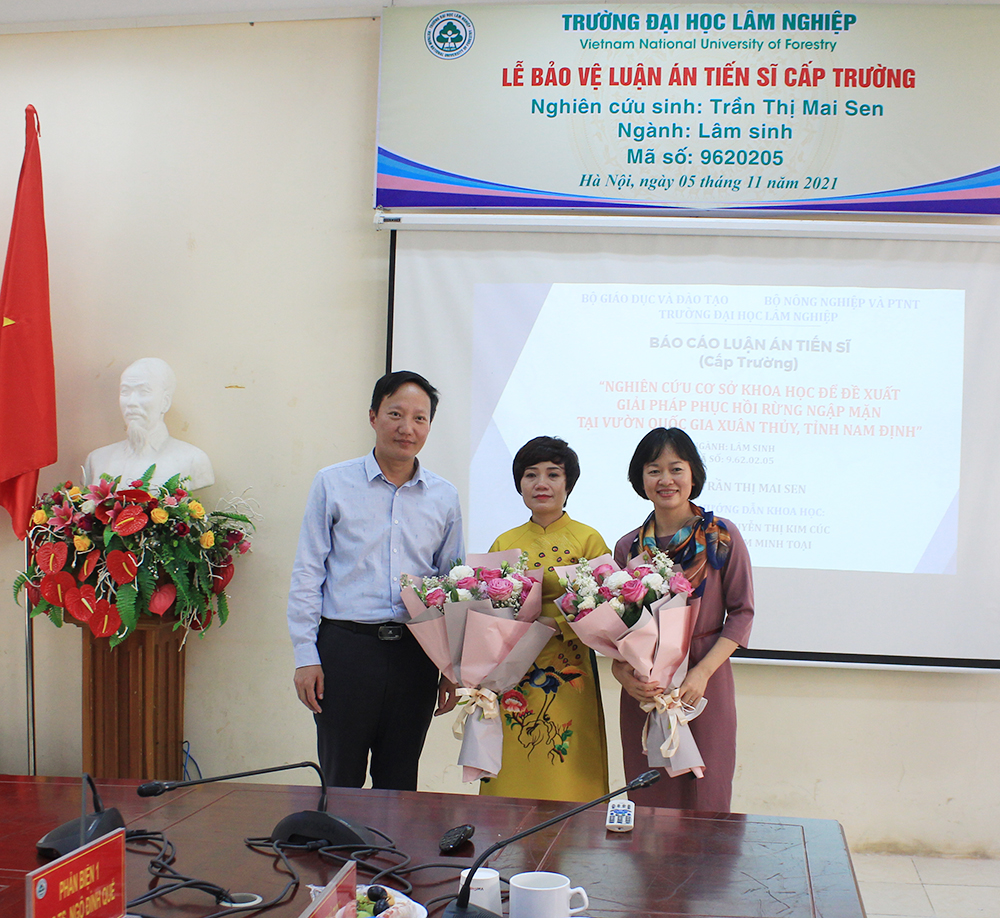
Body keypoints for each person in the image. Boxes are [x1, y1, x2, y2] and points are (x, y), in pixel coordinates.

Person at [286, 371, 463, 790]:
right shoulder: (333, 483)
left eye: (419, 418)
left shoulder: (444, 496)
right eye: (395, 414)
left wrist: (451, 667)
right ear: (373, 416)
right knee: (340, 782)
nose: (407, 428)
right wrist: (305, 655)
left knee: (399, 783)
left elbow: (450, 585)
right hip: (346, 651)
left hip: (415, 656)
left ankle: (392, 840)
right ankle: (336, 838)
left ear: (429, 426)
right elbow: (308, 571)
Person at [612, 427, 753, 812]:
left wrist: (702, 673)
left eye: (676, 469)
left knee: (706, 794)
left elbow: (742, 612)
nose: (666, 480)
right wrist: (624, 676)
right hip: (646, 688)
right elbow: (616, 631)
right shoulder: (628, 547)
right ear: (640, 478)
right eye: (654, 470)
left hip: (703, 683)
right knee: (649, 796)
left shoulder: (722, 536)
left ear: (693, 475)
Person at [480, 436, 610, 802]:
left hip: (570, 670)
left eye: (553, 474)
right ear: (519, 483)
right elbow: (485, 609)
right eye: (531, 474)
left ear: (568, 484)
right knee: (513, 766)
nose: (541, 483)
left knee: (568, 767)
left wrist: (558, 624)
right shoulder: (505, 541)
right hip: (513, 672)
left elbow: (605, 606)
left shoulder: (588, 539)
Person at [83, 357, 215, 491]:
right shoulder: (97, 460)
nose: (131, 402)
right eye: (125, 391)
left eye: (143, 392)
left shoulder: (193, 460)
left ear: (165, 402)